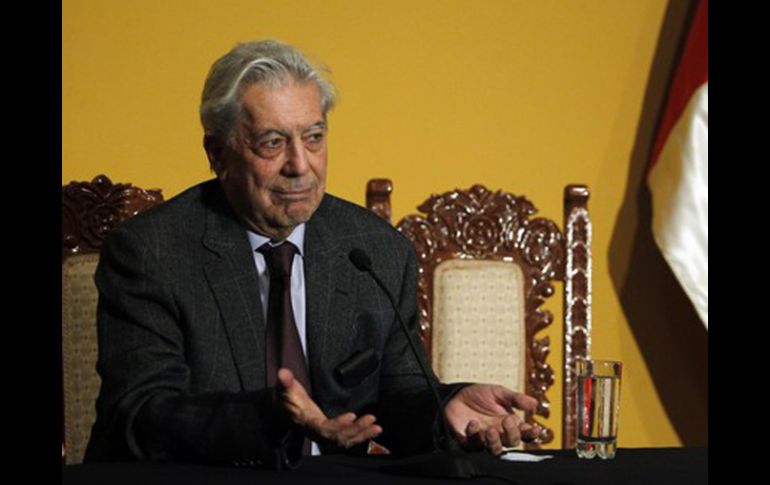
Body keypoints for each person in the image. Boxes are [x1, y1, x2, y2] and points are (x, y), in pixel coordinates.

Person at [84, 40, 539, 468]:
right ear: (218, 153)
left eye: (314, 137)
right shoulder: (151, 252)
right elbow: (140, 414)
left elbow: (399, 393)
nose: (300, 165)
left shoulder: (376, 250)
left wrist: (446, 409)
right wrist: (272, 417)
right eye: (272, 142)